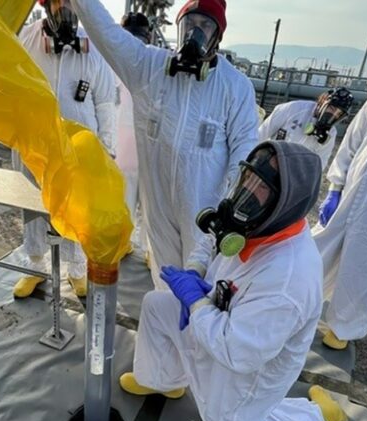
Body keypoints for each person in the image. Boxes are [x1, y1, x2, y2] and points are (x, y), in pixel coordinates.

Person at [119, 140, 348, 421]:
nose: (247, 191)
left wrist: (196, 303)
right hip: (220, 319)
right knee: (158, 306)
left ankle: (317, 416)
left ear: (286, 202)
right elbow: (212, 240)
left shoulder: (288, 280)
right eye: (248, 178)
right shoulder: (259, 222)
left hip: (251, 367)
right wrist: (196, 272)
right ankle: (162, 379)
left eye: (261, 186)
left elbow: (239, 352)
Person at [70, 0, 259, 288]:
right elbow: (105, 31)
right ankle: (168, 324)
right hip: (157, 202)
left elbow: (245, 146)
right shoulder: (148, 67)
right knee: (165, 278)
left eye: (206, 26)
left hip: (204, 211)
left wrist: (229, 205)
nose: (196, 33)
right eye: (190, 24)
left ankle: (196, 327)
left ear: (218, 36)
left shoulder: (235, 87)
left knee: (201, 282)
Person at [12, 0, 116, 298]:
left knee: (77, 211)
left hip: (78, 151)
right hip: (35, 147)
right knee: (32, 208)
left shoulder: (93, 49)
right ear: (46, 6)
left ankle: (77, 270)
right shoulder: (26, 41)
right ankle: (35, 269)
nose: (65, 9)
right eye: (59, 2)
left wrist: (105, 152)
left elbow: (106, 102)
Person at [312, 81, 367, 350]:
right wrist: (335, 186)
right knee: (318, 247)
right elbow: (355, 137)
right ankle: (294, 300)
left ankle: (343, 328)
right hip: (351, 190)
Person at [114, 12, 152, 254]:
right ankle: (132, 245)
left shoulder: (154, 64)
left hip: (142, 144)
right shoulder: (115, 63)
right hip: (128, 144)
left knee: (146, 204)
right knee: (135, 202)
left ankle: (144, 249)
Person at [258, 87, 354, 170]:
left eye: (339, 114)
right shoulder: (293, 109)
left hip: (294, 174)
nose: (333, 115)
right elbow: (261, 134)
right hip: (269, 161)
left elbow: (320, 163)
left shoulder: (331, 134)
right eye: (332, 109)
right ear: (323, 101)